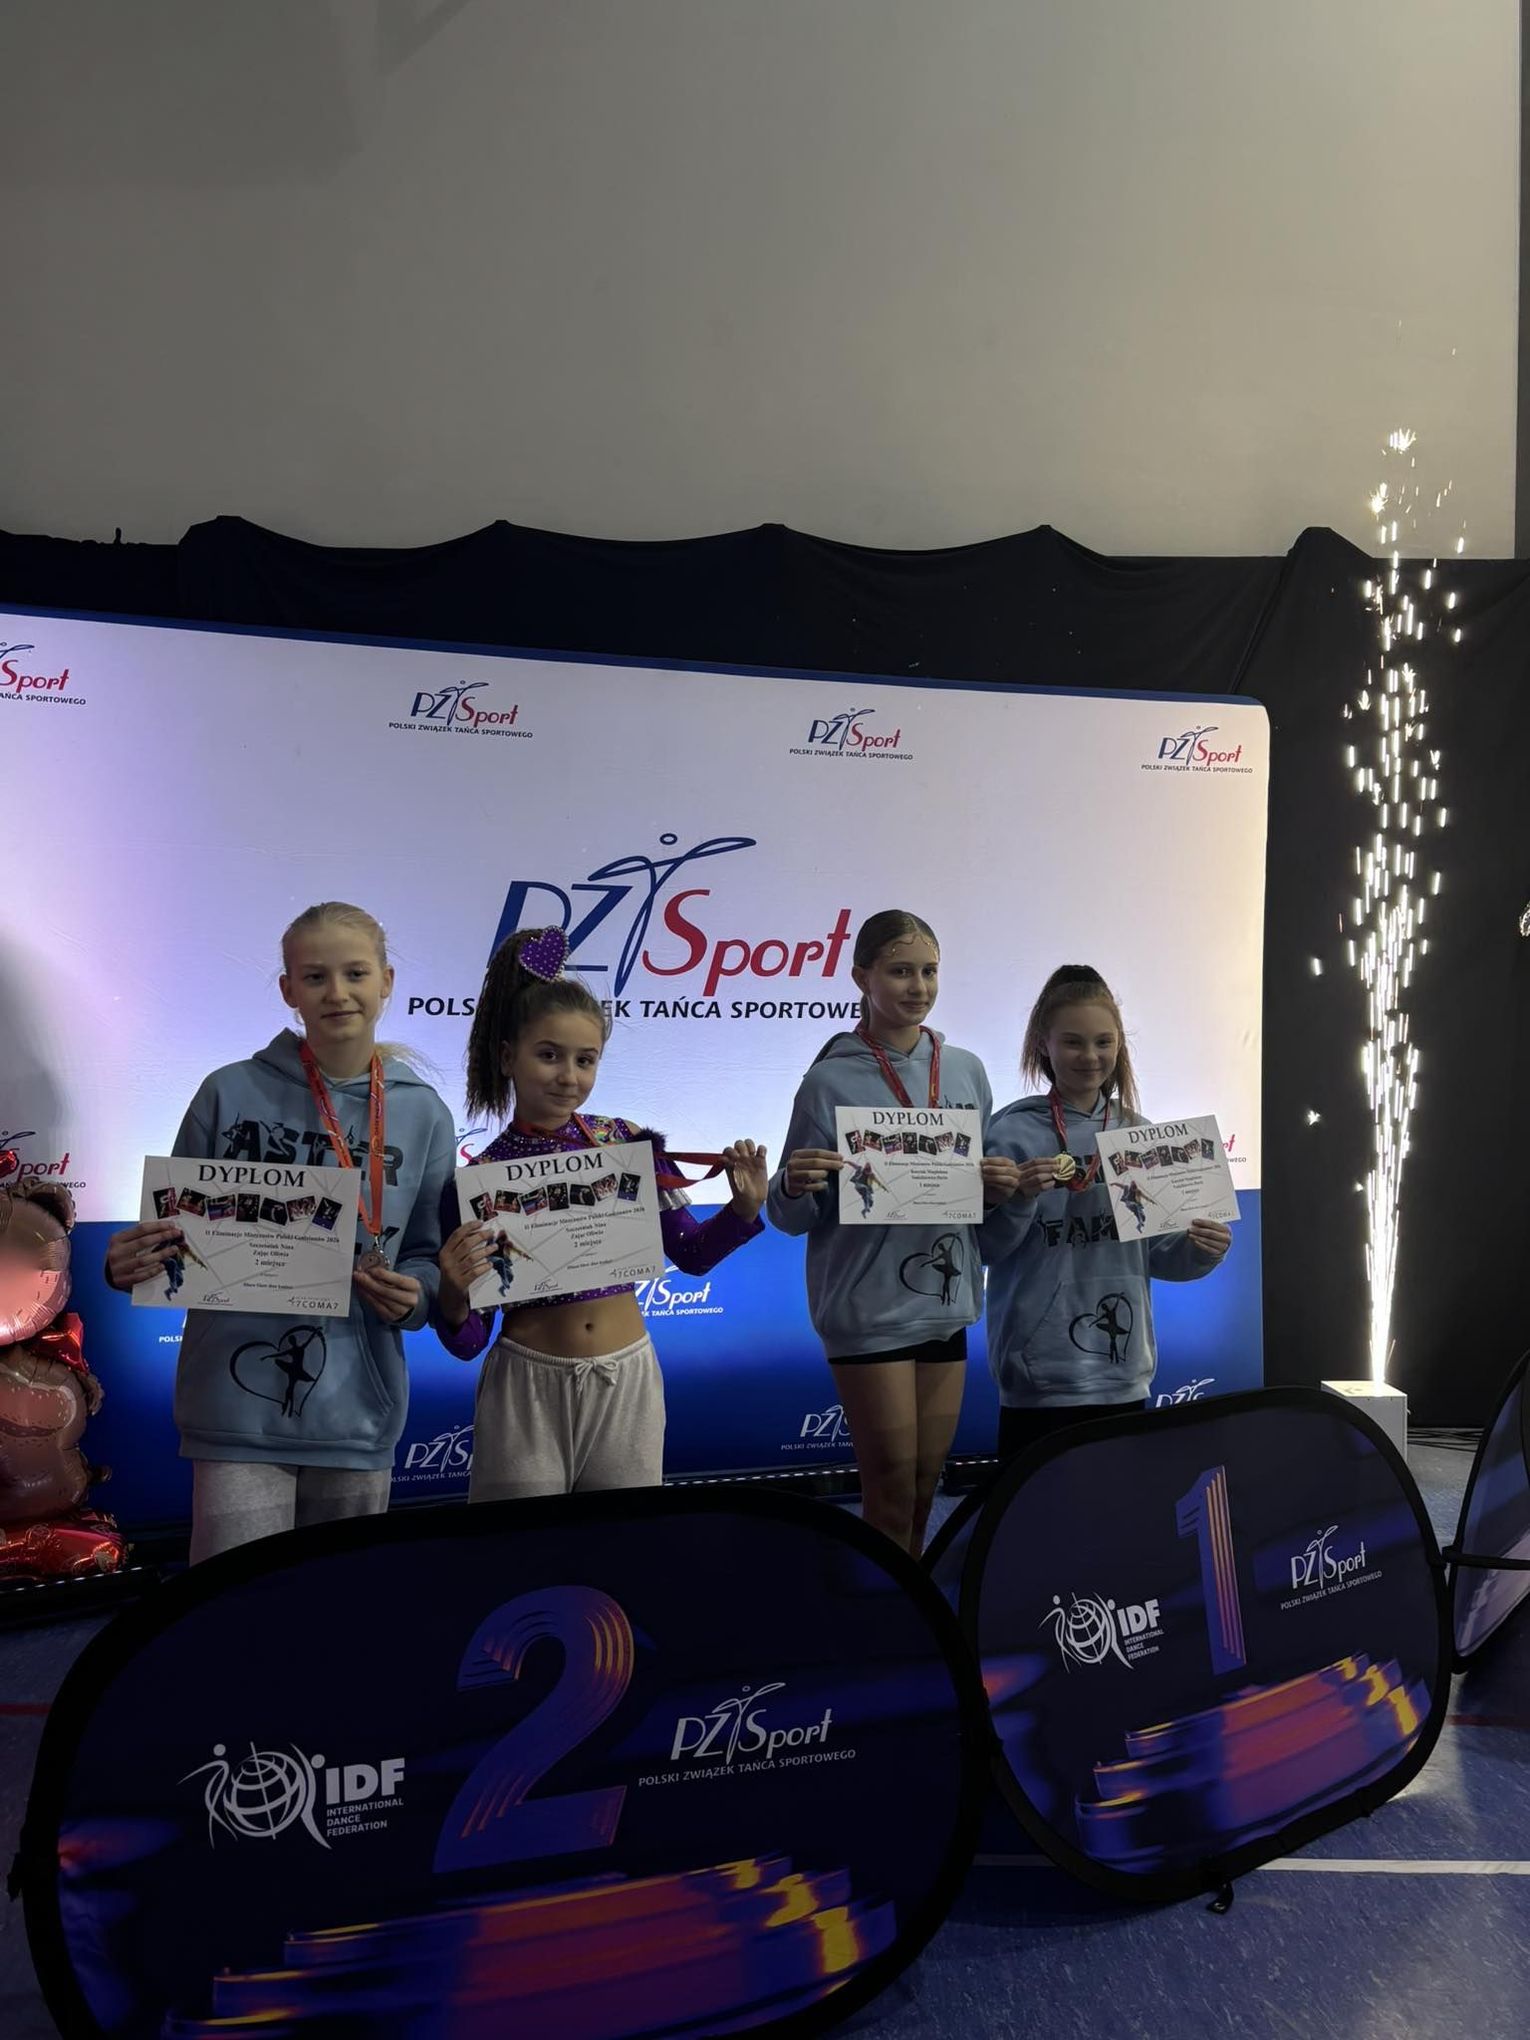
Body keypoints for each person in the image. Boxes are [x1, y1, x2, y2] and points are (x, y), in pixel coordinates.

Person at [104, 902, 457, 1561]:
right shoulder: (227, 1091)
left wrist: (417, 1295)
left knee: (339, 1606)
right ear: (289, 989)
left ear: (386, 981)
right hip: (233, 1408)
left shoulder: (425, 1114)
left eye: (355, 973)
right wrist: (130, 1264)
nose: (337, 992)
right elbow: (171, 1236)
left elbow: (426, 1253)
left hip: (358, 1408)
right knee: (232, 1604)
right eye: (315, 976)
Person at [434, 926, 767, 1501]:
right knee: (521, 1546)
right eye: (548, 1055)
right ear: (508, 1056)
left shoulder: (625, 1146)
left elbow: (691, 1254)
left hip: (627, 1379)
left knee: (621, 1544)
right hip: (526, 1388)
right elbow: (468, 1343)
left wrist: (742, 1209)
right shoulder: (478, 1182)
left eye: (585, 1060)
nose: (568, 1076)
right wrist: (454, 1292)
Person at [767, 909, 1020, 1556]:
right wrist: (794, 1184)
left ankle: (912, 1606)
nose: (919, 987)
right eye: (901, 971)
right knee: (887, 1492)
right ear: (862, 978)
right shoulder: (829, 1079)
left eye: (929, 971)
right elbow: (789, 1216)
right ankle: (884, 1612)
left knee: (924, 1488)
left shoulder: (965, 1070)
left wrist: (996, 1188)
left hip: (945, 1304)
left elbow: (978, 1206)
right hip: (866, 1308)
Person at [979, 964, 1232, 1461]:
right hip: (1037, 1374)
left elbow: (1158, 1255)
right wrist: (1021, 1199)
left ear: (1119, 1046)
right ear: (1044, 1045)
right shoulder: (1009, 1133)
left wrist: (1203, 1250)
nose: (1090, 1056)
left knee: (1116, 1503)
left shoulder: (1142, 1136)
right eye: (1073, 1042)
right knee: (1036, 1506)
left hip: (1122, 1371)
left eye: (1103, 1042)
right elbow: (985, 1250)